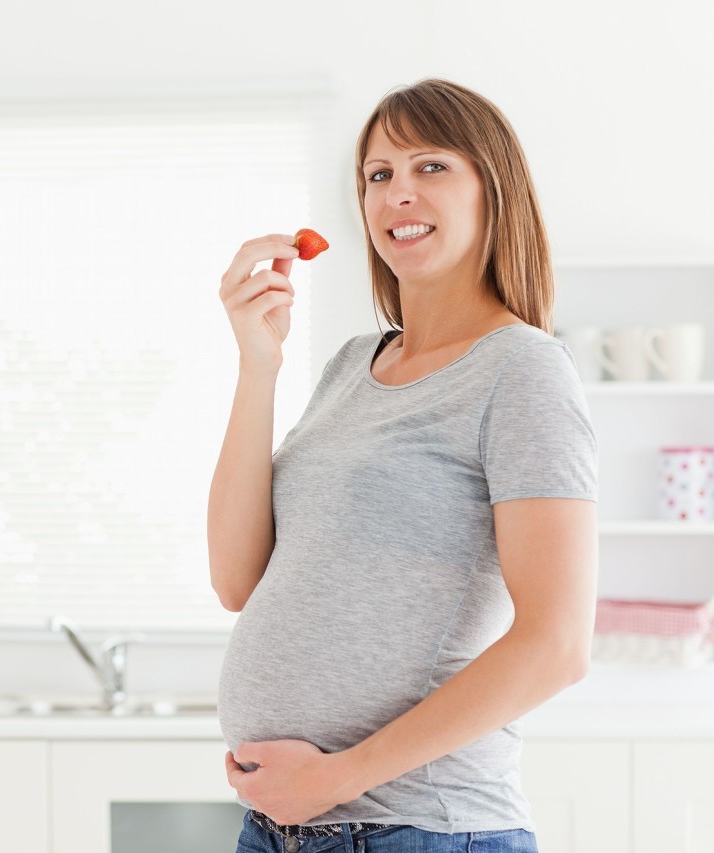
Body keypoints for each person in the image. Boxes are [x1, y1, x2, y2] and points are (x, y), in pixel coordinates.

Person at [209, 78, 598, 853]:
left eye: (431, 167)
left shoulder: (522, 370)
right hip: (284, 829)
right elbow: (235, 578)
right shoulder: (354, 363)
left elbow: (557, 644)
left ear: (494, 189)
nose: (397, 194)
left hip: (418, 829)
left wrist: (338, 775)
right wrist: (259, 366)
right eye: (378, 174)